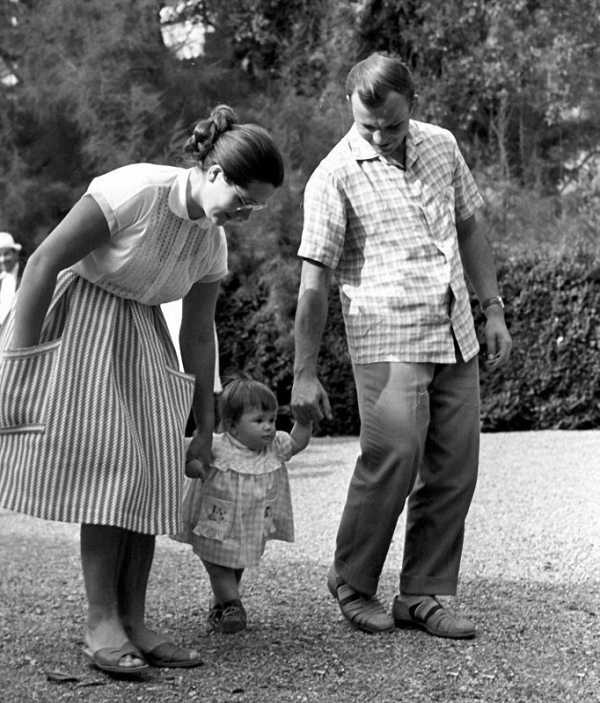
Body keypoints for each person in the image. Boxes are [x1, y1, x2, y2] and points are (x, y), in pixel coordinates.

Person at [0, 105, 284, 675]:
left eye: (255, 207)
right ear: (213, 172)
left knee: (152, 471)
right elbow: (43, 262)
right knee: (115, 470)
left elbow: (198, 334)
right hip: (81, 321)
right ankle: (100, 622)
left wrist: (204, 428)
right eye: (243, 200)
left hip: (144, 334)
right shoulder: (136, 190)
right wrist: (20, 364)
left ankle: (134, 620)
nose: (245, 214)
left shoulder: (211, 242)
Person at [291, 53, 512, 638]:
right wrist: (303, 373)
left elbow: (469, 226)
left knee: (454, 468)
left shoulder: (441, 144)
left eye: (391, 124)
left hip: (455, 330)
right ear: (349, 108)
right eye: (367, 125)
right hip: (387, 338)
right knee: (393, 458)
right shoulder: (333, 176)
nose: (379, 136)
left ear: (412, 104)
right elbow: (313, 284)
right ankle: (351, 580)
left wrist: (492, 308)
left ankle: (422, 594)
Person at [173, 377, 312, 633]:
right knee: (217, 565)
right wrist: (195, 467)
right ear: (233, 426)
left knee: (235, 564)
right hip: (215, 524)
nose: (269, 427)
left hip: (247, 526)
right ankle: (232, 604)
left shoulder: (274, 447)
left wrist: (305, 421)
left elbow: (297, 443)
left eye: (271, 420)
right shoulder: (218, 446)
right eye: (259, 421)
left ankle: (220, 607)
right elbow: (186, 456)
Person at [0, 231, 22, 327]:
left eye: (6, 254)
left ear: (15, 254)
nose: (2, 259)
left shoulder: (25, 275)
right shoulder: (1, 279)